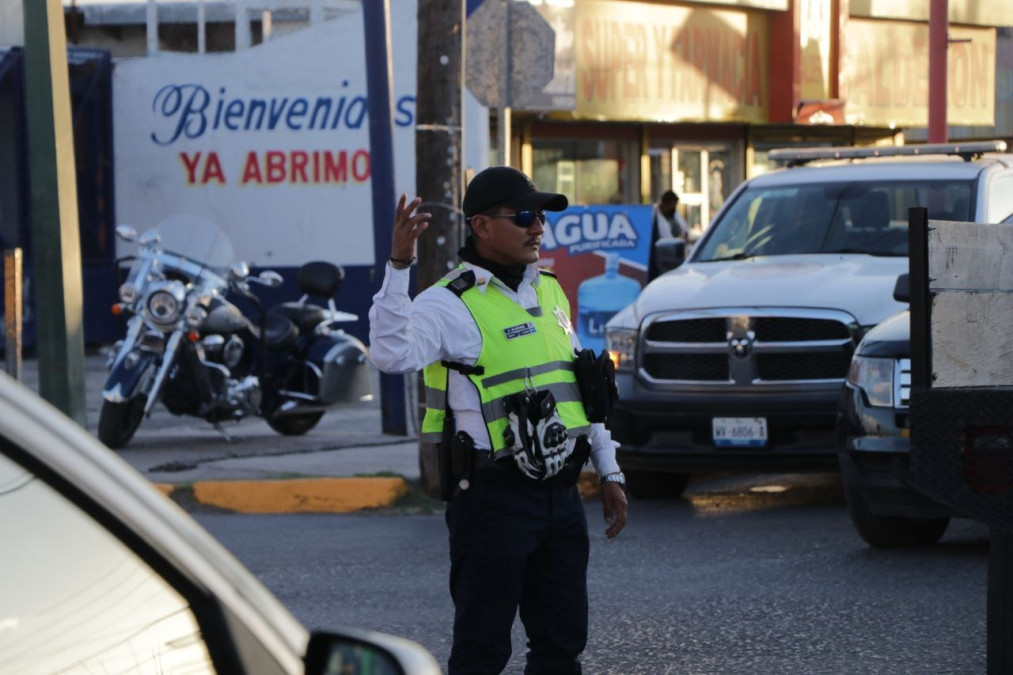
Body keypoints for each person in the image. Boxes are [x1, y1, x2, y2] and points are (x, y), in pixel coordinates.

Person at [368, 166, 628, 674]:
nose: (538, 227)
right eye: (526, 216)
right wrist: (400, 265)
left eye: (542, 217)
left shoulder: (549, 290)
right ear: (482, 226)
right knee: (482, 649)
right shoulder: (449, 301)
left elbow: (580, 388)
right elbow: (391, 354)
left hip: (561, 495)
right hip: (492, 501)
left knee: (561, 645)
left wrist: (609, 469)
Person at [648, 189, 689, 281]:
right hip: (663, 257)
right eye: (673, 205)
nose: (674, 208)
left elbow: (684, 230)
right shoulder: (654, 216)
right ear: (665, 204)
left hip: (678, 253)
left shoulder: (674, 215)